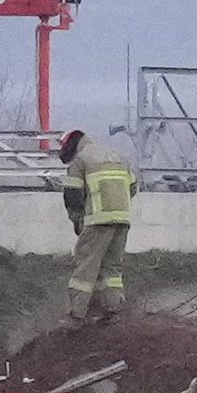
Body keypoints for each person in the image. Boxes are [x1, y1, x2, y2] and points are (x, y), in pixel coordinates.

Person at [56, 127, 136, 320]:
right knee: (112, 268)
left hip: (97, 220)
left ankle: (76, 315)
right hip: (122, 219)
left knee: (85, 266)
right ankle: (113, 309)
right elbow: (133, 187)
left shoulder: (81, 160)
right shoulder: (118, 157)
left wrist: (78, 220)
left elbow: (72, 195)